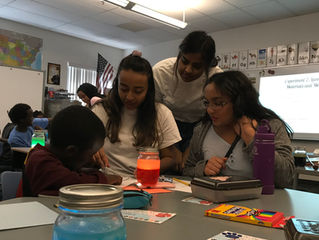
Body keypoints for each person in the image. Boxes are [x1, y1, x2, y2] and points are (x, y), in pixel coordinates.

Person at [183, 71, 295, 188]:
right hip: (216, 203)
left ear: (239, 102)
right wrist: (203, 168)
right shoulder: (202, 130)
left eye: (218, 103)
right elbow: (186, 171)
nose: (210, 110)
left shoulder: (270, 126)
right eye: (207, 102)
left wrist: (253, 140)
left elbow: (286, 179)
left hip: (260, 203)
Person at [92, 55, 181, 177]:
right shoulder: (101, 110)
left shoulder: (162, 113)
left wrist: (150, 169)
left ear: (148, 90)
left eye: (138, 91)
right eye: (123, 89)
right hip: (107, 179)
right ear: (116, 84)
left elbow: (171, 158)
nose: (129, 97)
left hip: (144, 183)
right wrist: (91, 151)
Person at [153, 31, 222, 170]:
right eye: (184, 61)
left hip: (201, 124)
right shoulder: (161, 71)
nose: (188, 70)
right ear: (179, 55)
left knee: (189, 166)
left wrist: (190, 148)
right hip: (167, 123)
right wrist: (172, 146)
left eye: (196, 66)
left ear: (207, 66)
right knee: (173, 165)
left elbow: (213, 117)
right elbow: (155, 112)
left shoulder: (216, 77)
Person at [22, 105, 122, 197]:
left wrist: (91, 168)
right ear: (71, 151)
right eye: (91, 154)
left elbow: (70, 172)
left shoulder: (60, 158)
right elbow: (73, 183)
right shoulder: (40, 159)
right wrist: (105, 179)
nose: (92, 159)